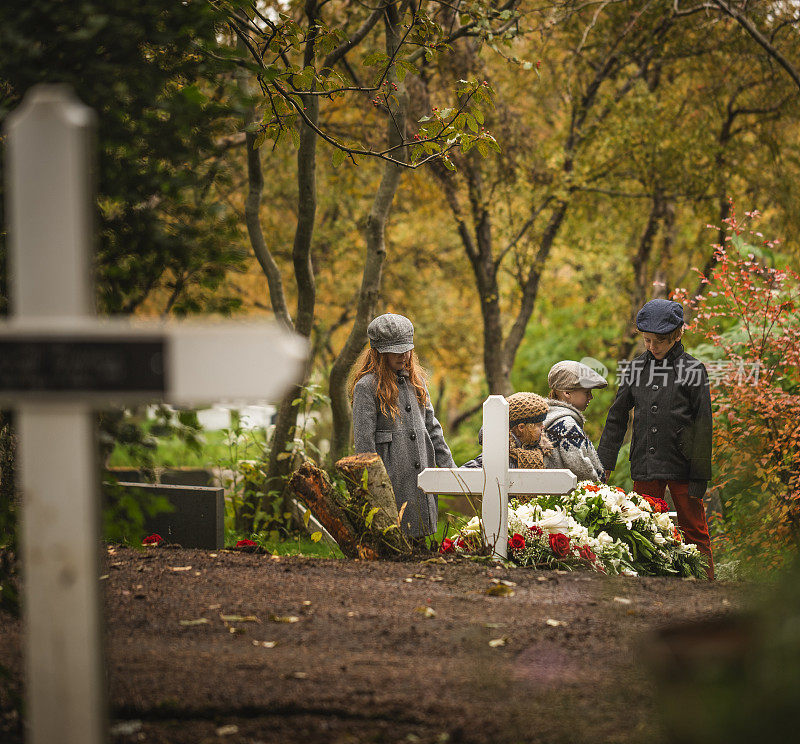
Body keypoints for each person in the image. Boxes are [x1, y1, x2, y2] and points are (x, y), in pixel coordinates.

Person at [597, 298, 714, 578]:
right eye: (647, 340)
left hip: (684, 466)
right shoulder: (636, 368)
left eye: (658, 341)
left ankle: (708, 586)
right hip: (646, 463)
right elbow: (616, 417)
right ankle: (647, 586)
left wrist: (699, 476)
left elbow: (703, 425)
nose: (652, 347)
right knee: (643, 529)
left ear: (678, 334)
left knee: (694, 530)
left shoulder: (694, 370)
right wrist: (605, 462)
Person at [351, 313, 456, 539]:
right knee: (394, 537)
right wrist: (373, 487)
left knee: (420, 539)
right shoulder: (366, 387)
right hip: (391, 476)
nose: (404, 355)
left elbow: (433, 427)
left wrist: (450, 470)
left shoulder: (415, 381)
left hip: (421, 471)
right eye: (397, 350)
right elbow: (364, 444)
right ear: (379, 351)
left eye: (407, 348)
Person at [544, 360, 608, 483]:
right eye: (587, 392)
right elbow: (578, 465)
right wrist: (598, 487)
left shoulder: (551, 418)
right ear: (567, 392)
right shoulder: (566, 424)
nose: (591, 397)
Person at [463, 392, 555, 470]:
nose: (543, 426)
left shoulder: (539, 450)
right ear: (521, 427)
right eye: (538, 424)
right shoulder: (495, 458)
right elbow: (462, 478)